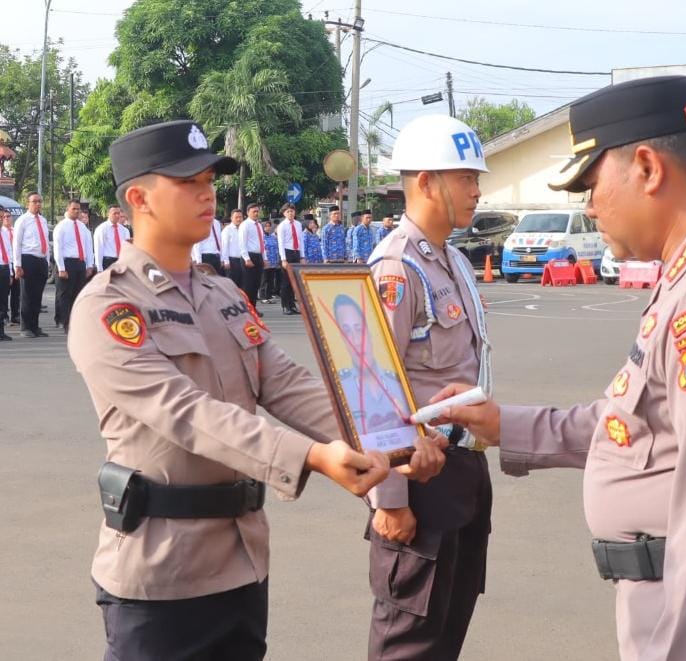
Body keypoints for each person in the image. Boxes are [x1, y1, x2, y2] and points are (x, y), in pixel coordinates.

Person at [431, 76, 686, 659]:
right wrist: (505, 425)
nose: (588, 205)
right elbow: (637, 423)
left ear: (648, 168)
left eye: (591, 184)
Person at [68, 120, 447, 661]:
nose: (207, 194)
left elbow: (286, 382)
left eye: (209, 181)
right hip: (161, 572)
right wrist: (312, 456)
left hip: (242, 558)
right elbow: (185, 412)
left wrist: (395, 433)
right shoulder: (107, 307)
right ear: (138, 198)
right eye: (188, 183)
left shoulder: (221, 293)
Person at [364, 114, 494, 660]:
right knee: (409, 643)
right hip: (418, 478)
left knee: (446, 635)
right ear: (424, 182)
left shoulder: (453, 260)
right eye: (465, 177)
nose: (476, 189)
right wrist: (389, 498)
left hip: (462, 471)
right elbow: (372, 385)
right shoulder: (396, 267)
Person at [331, 294, 412, 443]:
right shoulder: (338, 389)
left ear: (369, 333)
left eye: (359, 329)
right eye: (347, 332)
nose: (356, 341)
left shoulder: (399, 384)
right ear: (342, 340)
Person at [52, 199, 95, 332]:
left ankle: (76, 321)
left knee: (78, 294)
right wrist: (61, 268)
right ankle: (66, 322)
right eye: (74, 209)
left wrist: (89, 265)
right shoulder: (61, 226)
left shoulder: (83, 227)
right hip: (67, 263)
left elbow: (88, 247)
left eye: (78, 209)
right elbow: (58, 249)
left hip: (80, 263)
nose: (76, 211)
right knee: (65, 295)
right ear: (68, 209)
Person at [12, 191, 51, 338]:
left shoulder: (43, 220)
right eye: (34, 201)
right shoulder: (22, 220)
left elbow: (46, 242)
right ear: (28, 203)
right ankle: (25, 327)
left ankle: (35, 326)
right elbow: (16, 244)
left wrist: (46, 262)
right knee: (27, 295)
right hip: (27, 259)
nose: (37, 204)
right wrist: (17, 265)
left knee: (37, 296)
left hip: (41, 260)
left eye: (39, 201)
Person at [276, 203, 303, 315]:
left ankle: (292, 305)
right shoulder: (282, 225)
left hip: (296, 252)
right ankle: (285, 306)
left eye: (292, 211)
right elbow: (280, 243)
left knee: (294, 281)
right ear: (284, 213)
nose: (290, 213)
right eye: (288, 211)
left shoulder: (298, 224)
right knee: (286, 281)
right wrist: (283, 259)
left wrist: (302, 256)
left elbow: (301, 241)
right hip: (287, 253)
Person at [239, 203, 266, 314]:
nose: (256, 213)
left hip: (258, 256)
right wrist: (246, 258)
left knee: (256, 284)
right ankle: (247, 309)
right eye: (254, 211)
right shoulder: (245, 225)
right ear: (248, 212)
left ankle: (253, 308)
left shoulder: (259, 225)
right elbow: (242, 243)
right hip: (249, 256)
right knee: (248, 285)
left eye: (257, 211)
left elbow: (262, 243)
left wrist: (264, 258)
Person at [94, 205, 132, 273]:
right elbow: (98, 248)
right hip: (108, 261)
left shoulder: (124, 230)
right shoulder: (102, 229)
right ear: (108, 214)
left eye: (118, 213)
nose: (117, 215)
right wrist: (99, 268)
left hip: (121, 261)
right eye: (115, 213)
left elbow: (127, 248)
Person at [2, 209, 18, 325]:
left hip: (13, 263)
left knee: (16, 292)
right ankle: (4, 317)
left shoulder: (15, 231)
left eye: (8, 216)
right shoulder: (2, 231)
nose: (6, 218)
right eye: (4, 217)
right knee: (4, 293)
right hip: (4, 264)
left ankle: (15, 315)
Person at [221, 208, 244, 289]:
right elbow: (224, 246)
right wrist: (226, 261)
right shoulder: (227, 230)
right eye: (236, 217)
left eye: (240, 217)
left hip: (243, 260)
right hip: (232, 261)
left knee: (242, 285)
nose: (239, 219)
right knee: (231, 286)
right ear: (231, 218)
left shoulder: (243, 229)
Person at [261, 220, 281, 305]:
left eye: (269, 226)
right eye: (266, 226)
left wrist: (277, 260)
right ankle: (263, 296)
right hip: (266, 261)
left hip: (273, 262)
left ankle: (269, 296)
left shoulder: (273, 237)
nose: (268, 228)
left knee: (270, 280)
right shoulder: (261, 237)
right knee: (264, 279)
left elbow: (277, 249)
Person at [0, 206, 12, 340]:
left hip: (4, 268)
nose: (2, 220)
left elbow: (8, 252)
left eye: (2, 217)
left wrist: (10, 272)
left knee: (3, 301)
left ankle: (1, 331)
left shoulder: (4, 232)